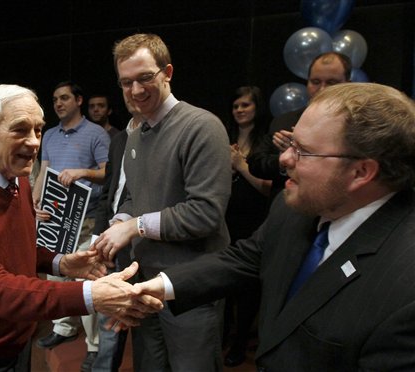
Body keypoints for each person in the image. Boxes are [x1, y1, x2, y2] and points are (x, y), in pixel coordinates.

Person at [135, 82, 415, 370]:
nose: (284, 159)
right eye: (291, 143)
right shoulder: (293, 206)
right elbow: (245, 259)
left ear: (361, 172)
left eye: (303, 152)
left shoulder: (406, 290)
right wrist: (156, 287)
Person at [0, 84, 162, 371]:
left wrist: (62, 264)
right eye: (20, 130)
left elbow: (12, 249)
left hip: (17, 342)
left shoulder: (17, 179)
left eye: (38, 130)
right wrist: (92, 295)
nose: (35, 142)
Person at [94, 33, 231, 371]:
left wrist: (134, 226)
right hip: (145, 285)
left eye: (145, 78)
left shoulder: (201, 127)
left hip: (191, 287)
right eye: (127, 82)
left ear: (167, 72)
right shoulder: (136, 133)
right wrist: (115, 227)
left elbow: (205, 213)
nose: (136, 90)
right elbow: (132, 195)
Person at [31, 81, 110, 370]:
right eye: (54, 99)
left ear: (79, 100)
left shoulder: (96, 133)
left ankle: (94, 345)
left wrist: (83, 172)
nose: (58, 103)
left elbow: (107, 173)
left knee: (86, 282)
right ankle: (62, 328)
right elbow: (43, 172)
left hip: (87, 218)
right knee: (56, 278)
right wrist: (34, 202)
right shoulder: (49, 135)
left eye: (64, 98)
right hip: (55, 218)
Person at [247, 51, 352, 203]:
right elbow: (256, 163)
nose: (322, 89)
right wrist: (285, 161)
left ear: (347, 85)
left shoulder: (356, 125)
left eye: (331, 83)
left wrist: (303, 152)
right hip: (285, 210)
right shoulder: (284, 121)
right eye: (315, 82)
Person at [91, 96, 143, 372]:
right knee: (110, 313)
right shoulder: (119, 139)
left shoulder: (161, 136)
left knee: (146, 322)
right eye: (127, 84)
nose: (136, 94)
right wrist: (99, 233)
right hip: (112, 236)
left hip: (148, 240)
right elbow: (108, 192)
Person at [222, 86, 270, 367]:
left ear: (257, 108)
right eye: (236, 106)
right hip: (225, 220)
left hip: (254, 222)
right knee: (224, 285)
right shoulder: (225, 138)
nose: (240, 110)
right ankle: (224, 335)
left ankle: (240, 342)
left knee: (248, 289)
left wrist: (241, 165)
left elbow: (267, 189)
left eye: (245, 105)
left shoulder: (266, 142)